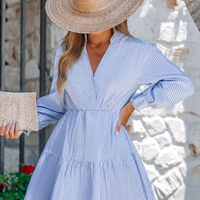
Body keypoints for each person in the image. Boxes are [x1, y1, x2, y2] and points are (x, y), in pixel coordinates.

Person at [0, 0, 195, 199]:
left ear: (113, 13)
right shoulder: (67, 50)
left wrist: (134, 104)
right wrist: (19, 124)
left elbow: (182, 84)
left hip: (111, 153)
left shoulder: (137, 51)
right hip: (68, 153)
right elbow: (56, 105)